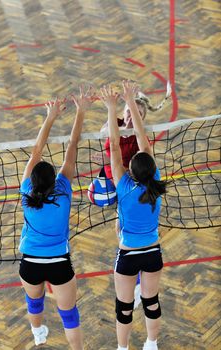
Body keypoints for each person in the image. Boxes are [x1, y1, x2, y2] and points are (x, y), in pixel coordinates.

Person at [19, 88, 91, 349]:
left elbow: (36, 149)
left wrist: (50, 116)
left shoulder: (27, 191)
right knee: (70, 317)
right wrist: (81, 110)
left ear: (33, 181)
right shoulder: (63, 192)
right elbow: (72, 144)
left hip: (30, 263)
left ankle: (38, 333)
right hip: (59, 262)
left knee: (34, 303)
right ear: (55, 179)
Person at [99, 81, 167, 350]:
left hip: (127, 255)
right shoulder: (157, 184)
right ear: (152, 169)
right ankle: (152, 343)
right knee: (151, 303)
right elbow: (143, 142)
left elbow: (115, 147)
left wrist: (114, 105)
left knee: (124, 307)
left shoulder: (123, 187)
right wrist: (128, 106)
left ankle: (122, 348)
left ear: (131, 172)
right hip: (153, 253)